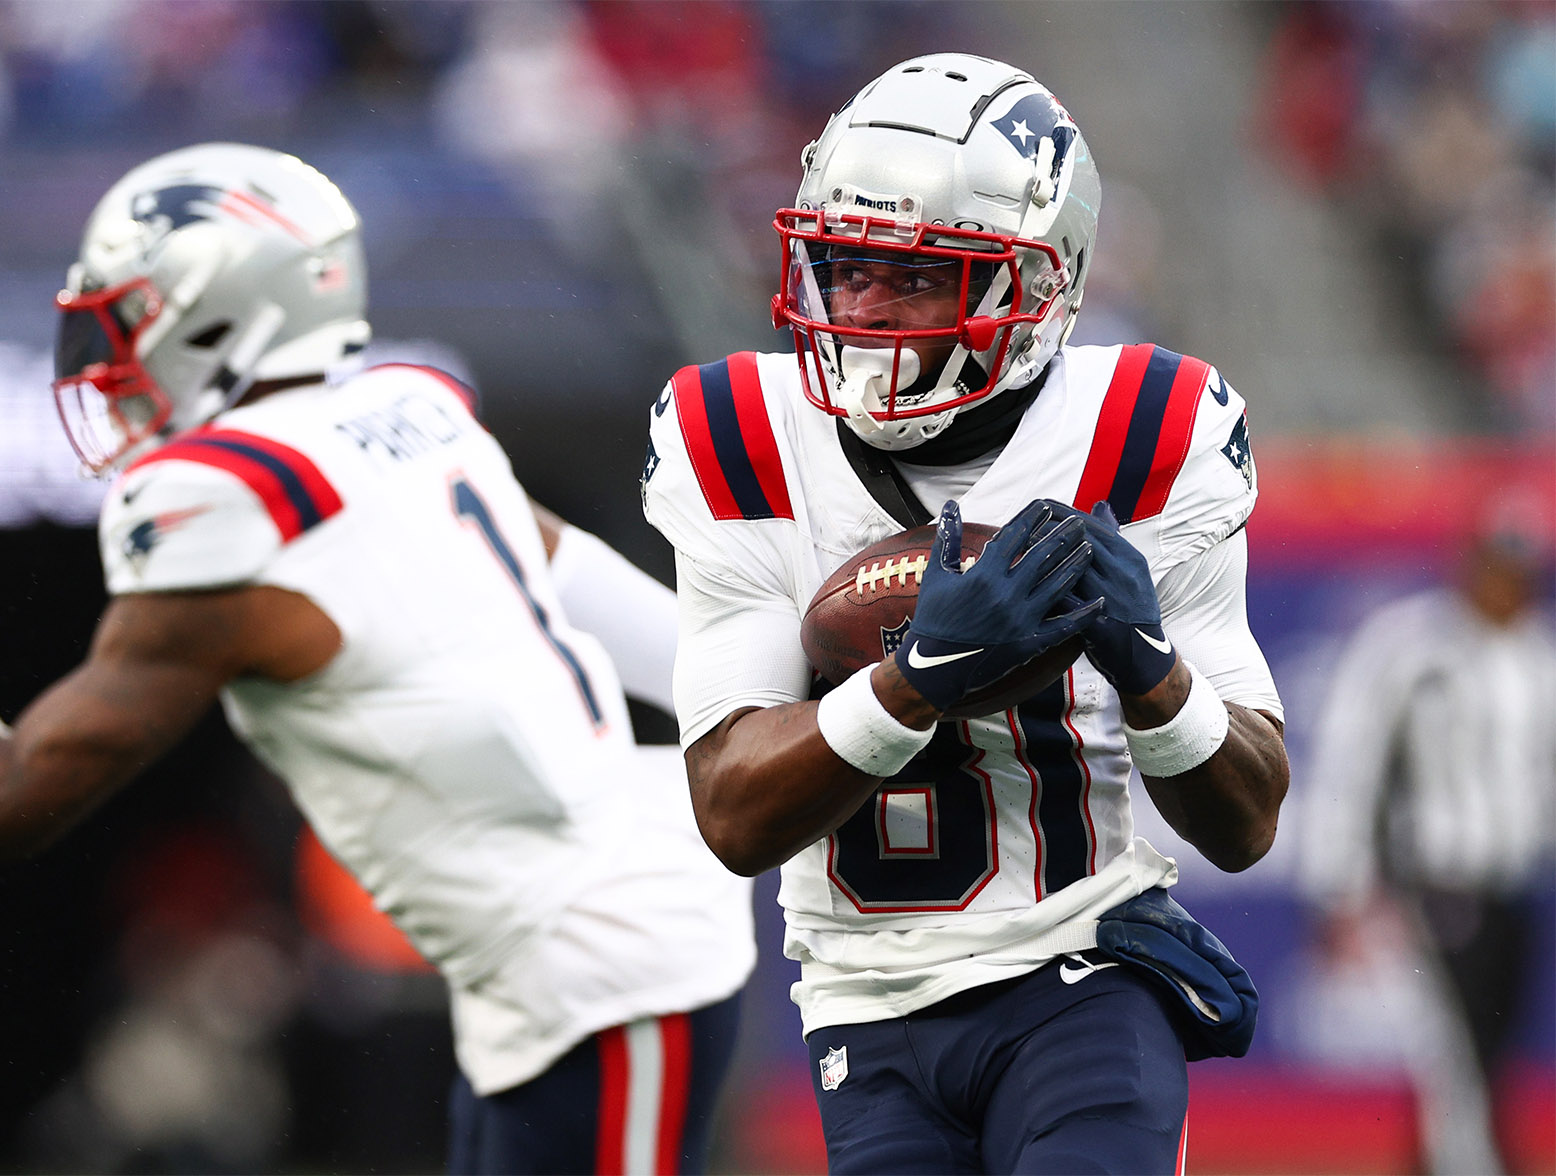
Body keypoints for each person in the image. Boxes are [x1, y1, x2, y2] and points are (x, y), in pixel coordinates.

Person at [0, 142, 756, 1176]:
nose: (106, 361)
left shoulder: (218, 498)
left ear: (225, 312)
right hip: (569, 945)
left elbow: (24, 796)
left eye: (128, 321)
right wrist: (769, 689)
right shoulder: (410, 409)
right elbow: (595, 590)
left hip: (601, 966)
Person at [641, 53, 1290, 1173]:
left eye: (913, 279)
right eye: (842, 271)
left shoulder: (1148, 426)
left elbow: (1244, 822)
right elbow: (732, 814)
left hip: (1083, 969)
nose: (863, 313)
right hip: (863, 999)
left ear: (1034, 288)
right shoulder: (736, 432)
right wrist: (914, 680)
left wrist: (1147, 668)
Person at [1301, 503, 1555, 1175]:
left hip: (1513, 889)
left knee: (1488, 1058)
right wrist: (1340, 884)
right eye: (1500, 567)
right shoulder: (1413, 648)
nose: (1510, 585)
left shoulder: (1539, 659)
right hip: (1435, 885)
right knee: (1457, 1065)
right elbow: (1352, 762)